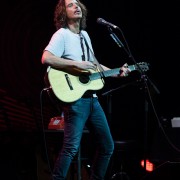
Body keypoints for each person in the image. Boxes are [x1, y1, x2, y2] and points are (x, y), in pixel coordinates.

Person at [41, 0, 131, 179]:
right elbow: (46, 58)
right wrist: (76, 64)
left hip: (93, 99)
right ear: (62, 13)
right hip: (75, 100)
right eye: (70, 5)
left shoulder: (85, 36)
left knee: (107, 146)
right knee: (71, 148)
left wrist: (116, 73)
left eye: (77, 4)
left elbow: (94, 65)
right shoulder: (62, 35)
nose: (76, 7)